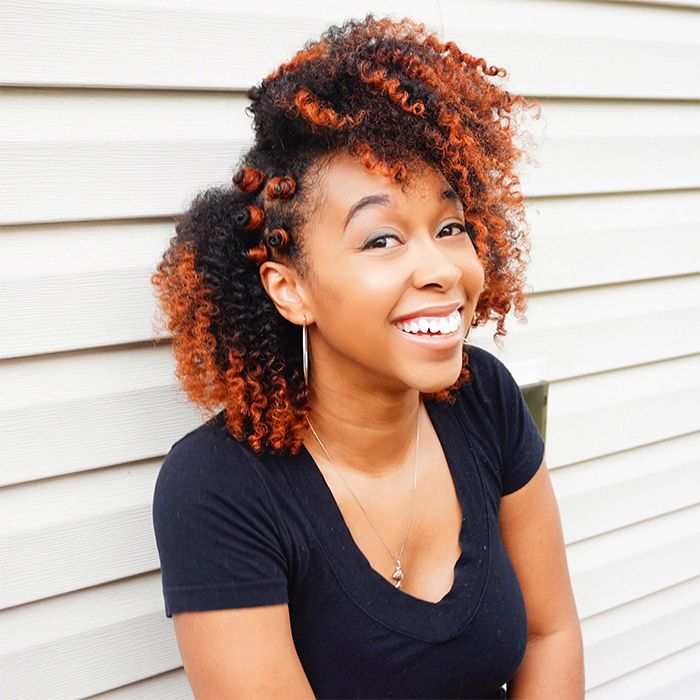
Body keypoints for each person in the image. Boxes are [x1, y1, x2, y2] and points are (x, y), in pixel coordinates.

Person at [150, 13, 584, 700]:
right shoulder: (220, 487)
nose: (441, 267)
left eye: (450, 226)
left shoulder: (485, 399)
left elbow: (547, 634)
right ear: (290, 289)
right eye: (381, 240)